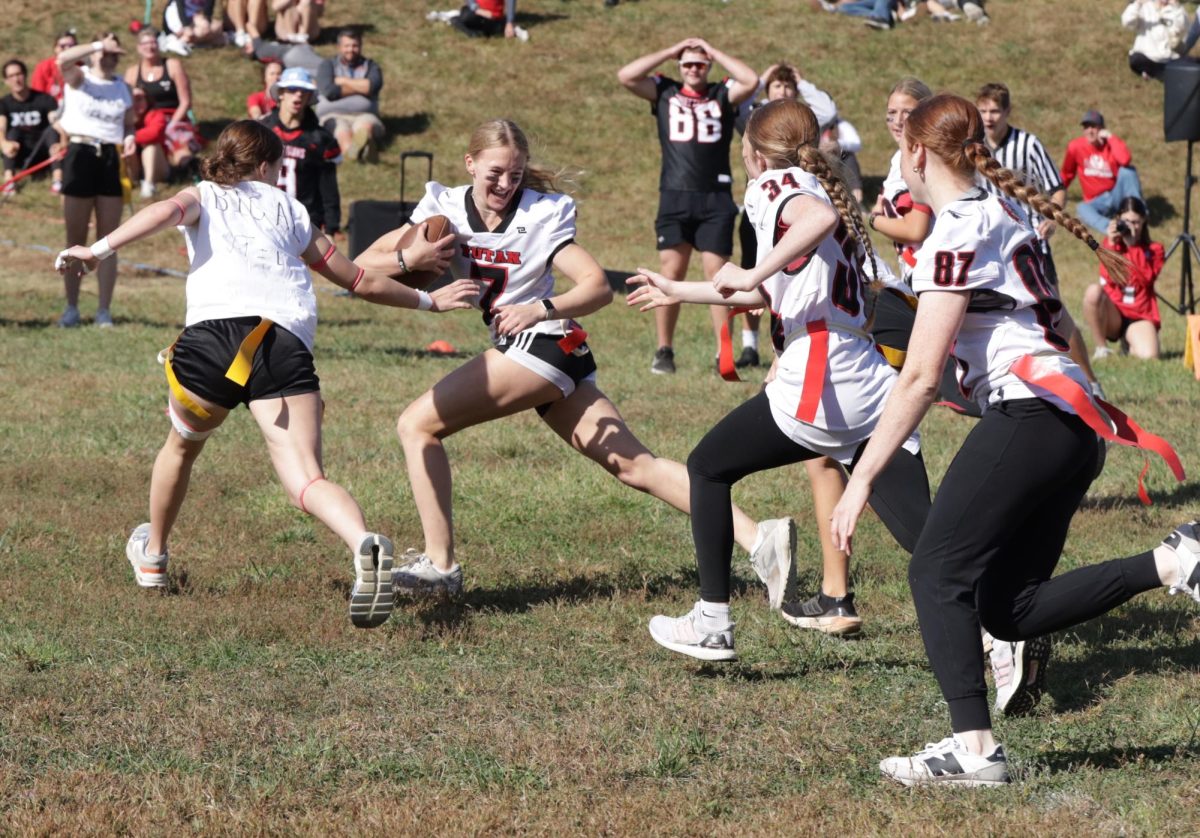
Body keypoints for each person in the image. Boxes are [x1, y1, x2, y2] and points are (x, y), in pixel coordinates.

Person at [829, 93, 1188, 787]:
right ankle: (1170, 563)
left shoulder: (957, 229)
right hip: (1068, 422)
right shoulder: (1004, 209)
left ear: (917, 155)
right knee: (1009, 607)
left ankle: (973, 751)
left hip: (1036, 416)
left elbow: (921, 378)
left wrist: (864, 477)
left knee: (936, 573)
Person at [53, 119, 480, 628]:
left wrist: (96, 250)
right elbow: (358, 279)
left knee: (182, 446)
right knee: (306, 478)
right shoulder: (292, 210)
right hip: (282, 343)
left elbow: (163, 212)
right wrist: (429, 300)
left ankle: (153, 555)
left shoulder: (203, 195)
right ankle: (362, 541)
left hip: (213, 341)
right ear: (264, 166)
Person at [354, 119, 798, 604]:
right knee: (636, 467)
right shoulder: (442, 208)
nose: (505, 184)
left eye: (515, 174)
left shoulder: (541, 213)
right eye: (495, 173)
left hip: (543, 342)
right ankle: (762, 541)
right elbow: (362, 263)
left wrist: (539, 307)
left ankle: (440, 566)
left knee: (416, 425)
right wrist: (409, 256)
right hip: (547, 354)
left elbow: (595, 286)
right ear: (470, 163)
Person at [632, 99, 932, 660]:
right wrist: (678, 291)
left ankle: (712, 621)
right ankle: (1004, 626)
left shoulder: (774, 185)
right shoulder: (817, 186)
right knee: (929, 539)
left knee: (707, 467)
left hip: (821, 376)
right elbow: (762, 293)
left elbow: (788, 246)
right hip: (864, 376)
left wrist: (752, 267)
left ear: (752, 150)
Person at [617, 38, 758, 375]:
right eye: (688, 64)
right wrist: (671, 50)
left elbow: (751, 80)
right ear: (679, 68)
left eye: (700, 64)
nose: (694, 69)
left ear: (708, 66)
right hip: (675, 195)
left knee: (719, 275)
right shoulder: (665, 92)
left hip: (715, 197)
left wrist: (713, 51)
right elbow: (626, 75)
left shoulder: (721, 93)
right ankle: (664, 350)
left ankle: (721, 351)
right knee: (671, 272)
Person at [976, 82, 1102, 392]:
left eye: (995, 111)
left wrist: (1051, 217)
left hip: (1030, 241)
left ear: (1007, 112)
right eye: (983, 111)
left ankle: (1090, 382)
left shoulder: (1028, 144)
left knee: (1054, 311)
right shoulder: (974, 147)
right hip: (991, 244)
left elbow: (1057, 188)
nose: (989, 117)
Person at [55, 33, 135, 329]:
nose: (111, 55)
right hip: (80, 152)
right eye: (107, 49)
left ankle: (104, 310)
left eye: (116, 50)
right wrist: (100, 45)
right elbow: (61, 59)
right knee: (75, 237)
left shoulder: (122, 87)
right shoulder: (81, 76)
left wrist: (130, 139)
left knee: (108, 240)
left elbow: (128, 123)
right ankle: (72, 307)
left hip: (110, 158)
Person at [1083, 196, 1165, 359]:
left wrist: (1133, 247)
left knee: (1149, 356)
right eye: (1126, 222)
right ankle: (1101, 349)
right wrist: (1113, 245)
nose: (1131, 227)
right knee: (1093, 292)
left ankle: (1129, 342)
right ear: (1118, 220)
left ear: (1144, 221)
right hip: (1114, 312)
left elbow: (1145, 280)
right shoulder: (1110, 244)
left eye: (1135, 222)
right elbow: (1109, 278)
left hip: (1139, 314)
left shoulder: (1155, 250)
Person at [263, 67, 341, 236]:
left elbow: (328, 186)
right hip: (264, 218)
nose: (298, 95)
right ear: (281, 93)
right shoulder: (261, 131)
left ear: (309, 97)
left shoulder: (320, 139)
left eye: (303, 91)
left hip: (304, 221)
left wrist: (331, 226)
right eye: (292, 89)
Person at [124, 27, 194, 199]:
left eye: (154, 42)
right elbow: (126, 104)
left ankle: (181, 173)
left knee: (180, 155)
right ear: (139, 47)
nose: (150, 47)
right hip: (146, 119)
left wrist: (170, 126)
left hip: (173, 120)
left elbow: (185, 101)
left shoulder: (172, 65)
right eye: (145, 43)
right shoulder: (133, 72)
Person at [1061, 110, 1144, 236]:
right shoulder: (1075, 147)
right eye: (1086, 127)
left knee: (1128, 171)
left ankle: (1138, 216)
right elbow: (1067, 173)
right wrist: (1057, 192)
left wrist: (1110, 137)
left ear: (1102, 128)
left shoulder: (1111, 144)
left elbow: (1125, 160)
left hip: (1115, 195)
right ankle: (1113, 228)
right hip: (1097, 201)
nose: (1090, 131)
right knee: (1082, 208)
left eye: (1093, 126)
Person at [315, 29, 384, 163]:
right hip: (333, 115)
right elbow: (329, 91)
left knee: (365, 127)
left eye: (355, 46)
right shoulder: (327, 65)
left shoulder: (371, 66)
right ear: (339, 47)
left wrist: (343, 81)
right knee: (342, 131)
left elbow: (371, 87)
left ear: (360, 47)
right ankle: (356, 153)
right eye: (347, 46)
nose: (350, 49)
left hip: (364, 114)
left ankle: (360, 150)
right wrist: (360, 87)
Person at [1, 59, 61, 195]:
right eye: (11, 76)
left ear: (25, 75)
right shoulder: (4, 104)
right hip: (18, 151)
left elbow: (56, 123)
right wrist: (4, 143)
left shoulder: (45, 99)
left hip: (44, 150)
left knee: (51, 131)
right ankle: (9, 180)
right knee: (12, 133)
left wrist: (63, 141)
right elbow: (1, 127)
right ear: (6, 81)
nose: (16, 79)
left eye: (19, 74)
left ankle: (58, 180)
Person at [1122, 0, 1189, 80]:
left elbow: (1184, 27)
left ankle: (1155, 74)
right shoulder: (1145, 7)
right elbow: (1127, 22)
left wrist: (1177, 7)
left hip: (1168, 58)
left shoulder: (1175, 10)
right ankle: (1156, 74)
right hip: (1146, 56)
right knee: (1136, 60)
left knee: (1191, 64)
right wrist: (1138, 3)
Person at [161, 0, 226, 55]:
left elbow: (208, 13)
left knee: (218, 27)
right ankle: (179, 41)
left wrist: (204, 22)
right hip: (177, 14)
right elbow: (180, 6)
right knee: (201, 33)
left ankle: (192, 43)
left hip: (194, 15)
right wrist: (186, 26)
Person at [31, 30, 76, 104]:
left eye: (71, 46)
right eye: (62, 46)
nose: (67, 49)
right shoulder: (43, 67)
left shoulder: (83, 68)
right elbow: (37, 96)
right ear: (55, 48)